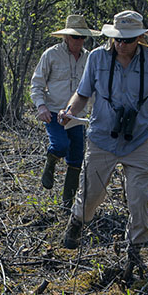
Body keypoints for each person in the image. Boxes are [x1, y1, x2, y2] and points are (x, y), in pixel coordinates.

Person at [58, 10, 148, 278]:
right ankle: (77, 222)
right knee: (92, 196)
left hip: (138, 140)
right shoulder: (98, 58)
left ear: (139, 39)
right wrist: (69, 111)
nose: (121, 45)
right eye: (118, 40)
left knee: (139, 198)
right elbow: (83, 93)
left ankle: (134, 252)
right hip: (102, 138)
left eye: (128, 40)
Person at [30, 14, 99, 208]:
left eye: (82, 37)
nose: (79, 41)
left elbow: (94, 89)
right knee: (60, 145)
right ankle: (50, 163)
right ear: (66, 37)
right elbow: (36, 84)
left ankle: (67, 204)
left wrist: (96, 113)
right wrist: (41, 106)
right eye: (75, 36)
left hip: (77, 116)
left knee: (76, 158)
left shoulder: (90, 57)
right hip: (53, 112)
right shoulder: (51, 55)